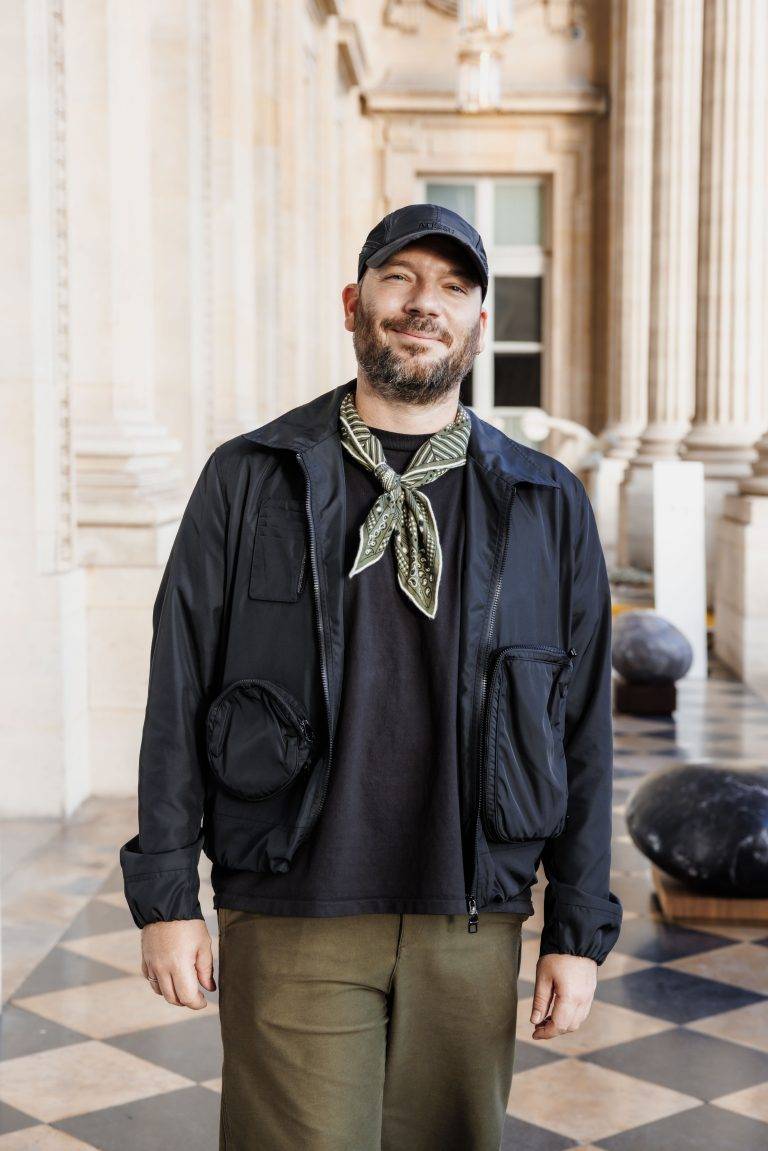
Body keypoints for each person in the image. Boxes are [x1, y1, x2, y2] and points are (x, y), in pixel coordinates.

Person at [120, 202, 623, 1151]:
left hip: (470, 916)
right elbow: (178, 683)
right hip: (292, 898)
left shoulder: (546, 503)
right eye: (400, 279)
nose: (423, 303)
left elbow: (583, 724)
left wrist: (577, 926)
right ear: (355, 303)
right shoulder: (250, 476)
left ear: (481, 324)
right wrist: (165, 897)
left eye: (453, 287)